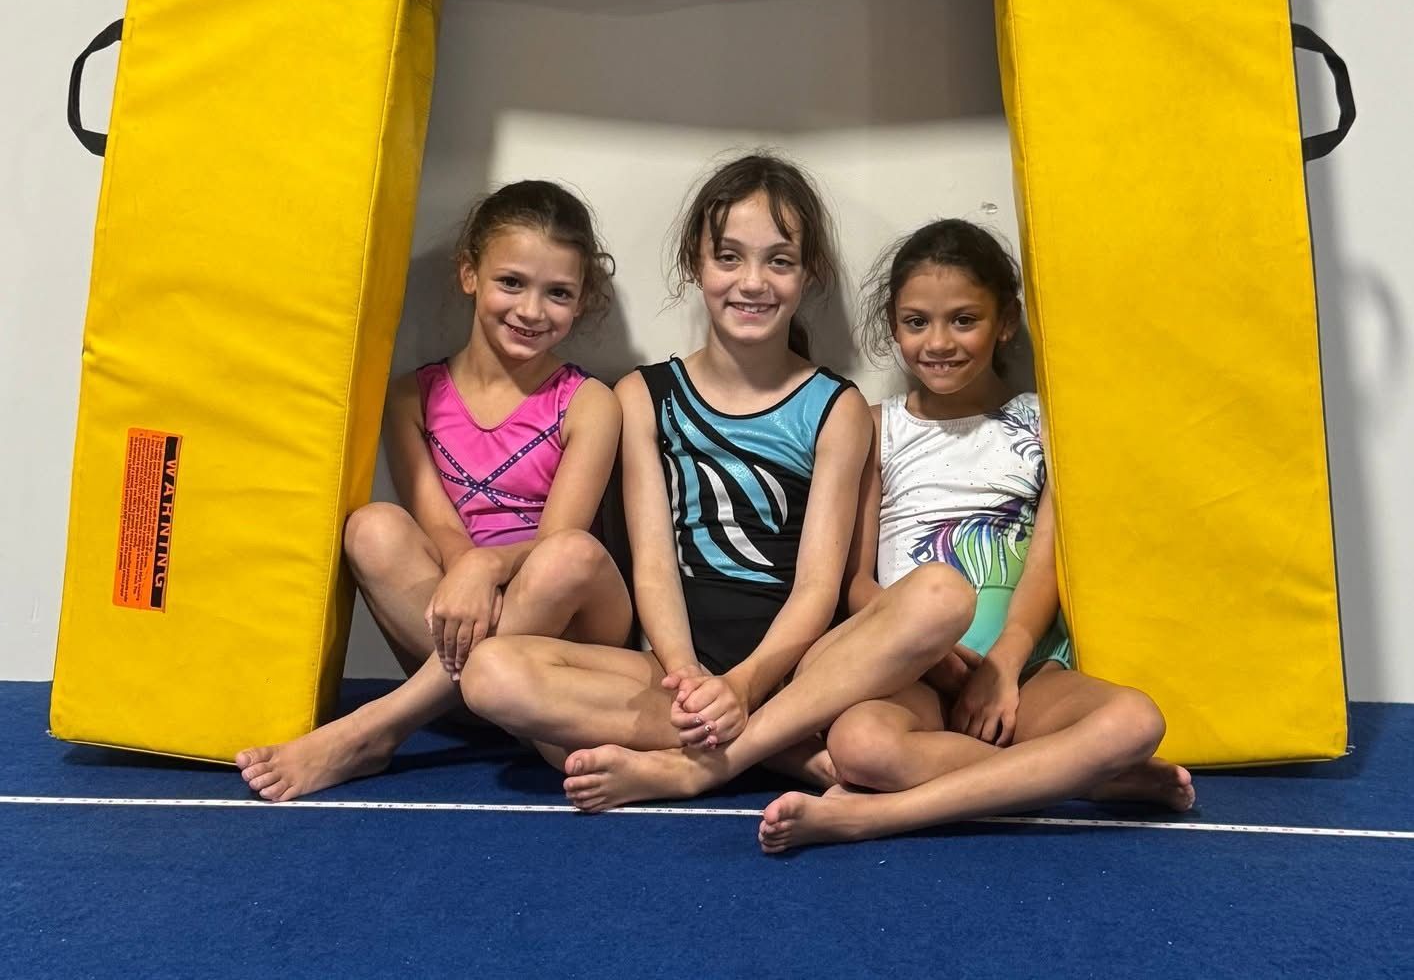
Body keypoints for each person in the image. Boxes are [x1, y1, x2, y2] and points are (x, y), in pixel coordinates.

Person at [461, 155, 976, 810]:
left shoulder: (833, 406)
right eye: (729, 257)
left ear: (807, 274)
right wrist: (686, 676)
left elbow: (819, 589)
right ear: (695, 264)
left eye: (779, 261)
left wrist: (746, 681)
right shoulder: (645, 395)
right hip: (677, 674)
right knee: (491, 672)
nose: (752, 281)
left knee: (940, 593)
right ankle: (781, 751)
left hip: (800, 669)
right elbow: (653, 568)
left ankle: (712, 760)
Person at [758, 218, 1194, 852]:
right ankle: (1086, 780)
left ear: (1006, 322)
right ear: (892, 325)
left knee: (1135, 721)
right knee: (861, 743)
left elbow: (1046, 563)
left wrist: (1004, 668)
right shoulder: (878, 427)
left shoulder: (1043, 421)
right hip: (917, 670)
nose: (938, 342)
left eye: (964, 320)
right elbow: (855, 580)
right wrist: (931, 654)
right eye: (916, 322)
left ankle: (879, 816)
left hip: (1024, 668)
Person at [236, 180, 630, 801]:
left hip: (571, 625)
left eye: (558, 293)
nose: (532, 311)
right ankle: (513, 713)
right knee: (372, 526)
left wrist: (486, 565)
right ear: (470, 274)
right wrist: (466, 573)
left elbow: (559, 537)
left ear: (582, 302)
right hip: (463, 614)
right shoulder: (412, 396)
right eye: (512, 283)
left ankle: (375, 728)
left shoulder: (589, 403)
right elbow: (441, 524)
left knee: (568, 557)